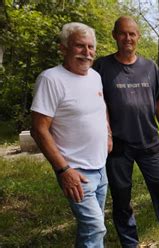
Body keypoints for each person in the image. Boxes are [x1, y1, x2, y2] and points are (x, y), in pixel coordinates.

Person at [93, 16, 159, 248]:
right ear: (115, 35)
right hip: (117, 146)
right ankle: (130, 244)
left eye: (132, 34)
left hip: (149, 144)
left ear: (138, 37)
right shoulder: (102, 67)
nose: (128, 38)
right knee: (121, 199)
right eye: (123, 33)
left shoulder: (149, 67)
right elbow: (95, 102)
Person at [30, 22, 111, 247]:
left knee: (91, 228)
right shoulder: (50, 79)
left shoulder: (94, 76)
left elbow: (100, 107)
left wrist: (108, 135)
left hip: (100, 166)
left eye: (91, 47)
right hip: (75, 170)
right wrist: (63, 170)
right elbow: (38, 128)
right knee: (96, 227)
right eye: (80, 46)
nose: (87, 53)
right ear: (63, 48)